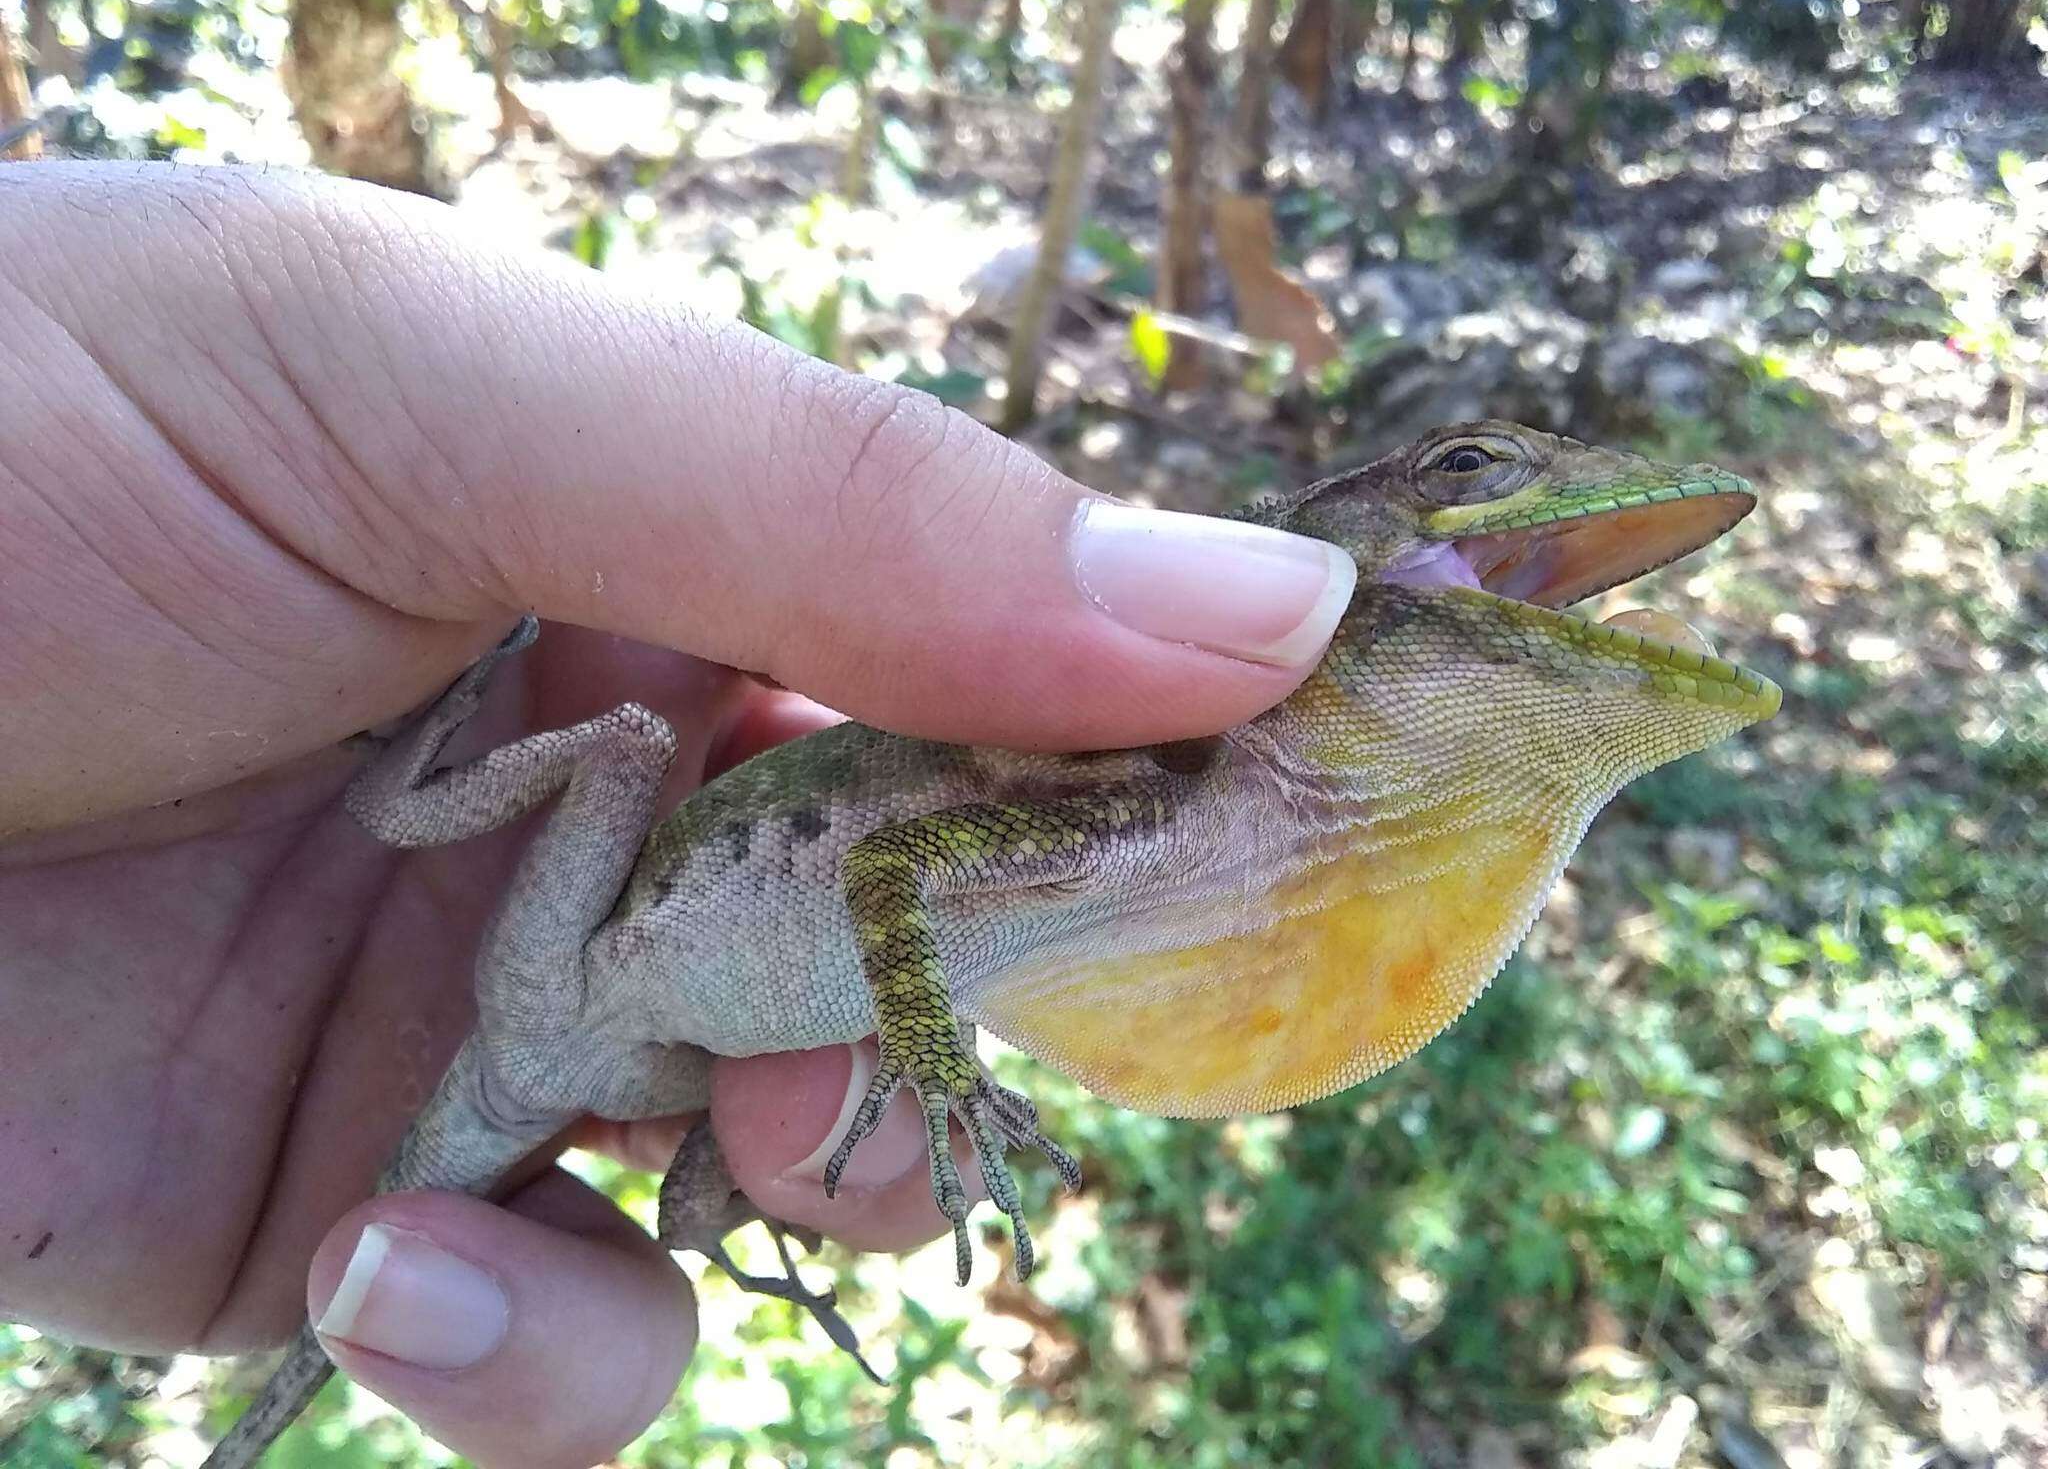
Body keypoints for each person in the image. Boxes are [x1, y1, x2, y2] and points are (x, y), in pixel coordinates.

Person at [0, 162, 1356, 1467]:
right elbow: (889, 878)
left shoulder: (1129, 802)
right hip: (577, 979)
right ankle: (395, 804)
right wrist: (944, 1069)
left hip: (656, 1045)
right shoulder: (1115, 750)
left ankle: (711, 1230)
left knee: (782, 1119)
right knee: (639, 740)